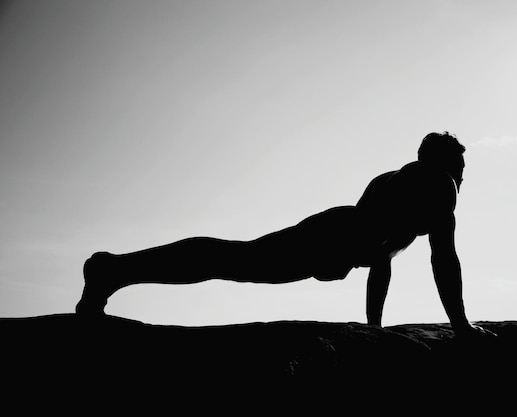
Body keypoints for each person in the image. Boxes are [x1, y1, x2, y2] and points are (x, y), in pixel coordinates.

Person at [76, 132, 491, 338]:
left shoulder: (396, 178)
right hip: (330, 238)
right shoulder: (439, 182)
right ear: (448, 163)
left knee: (234, 259)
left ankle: (114, 271)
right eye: (462, 168)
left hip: (332, 231)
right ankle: (111, 269)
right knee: (231, 259)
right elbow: (441, 257)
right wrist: (461, 328)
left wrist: (374, 328)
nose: (462, 178)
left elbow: (374, 247)